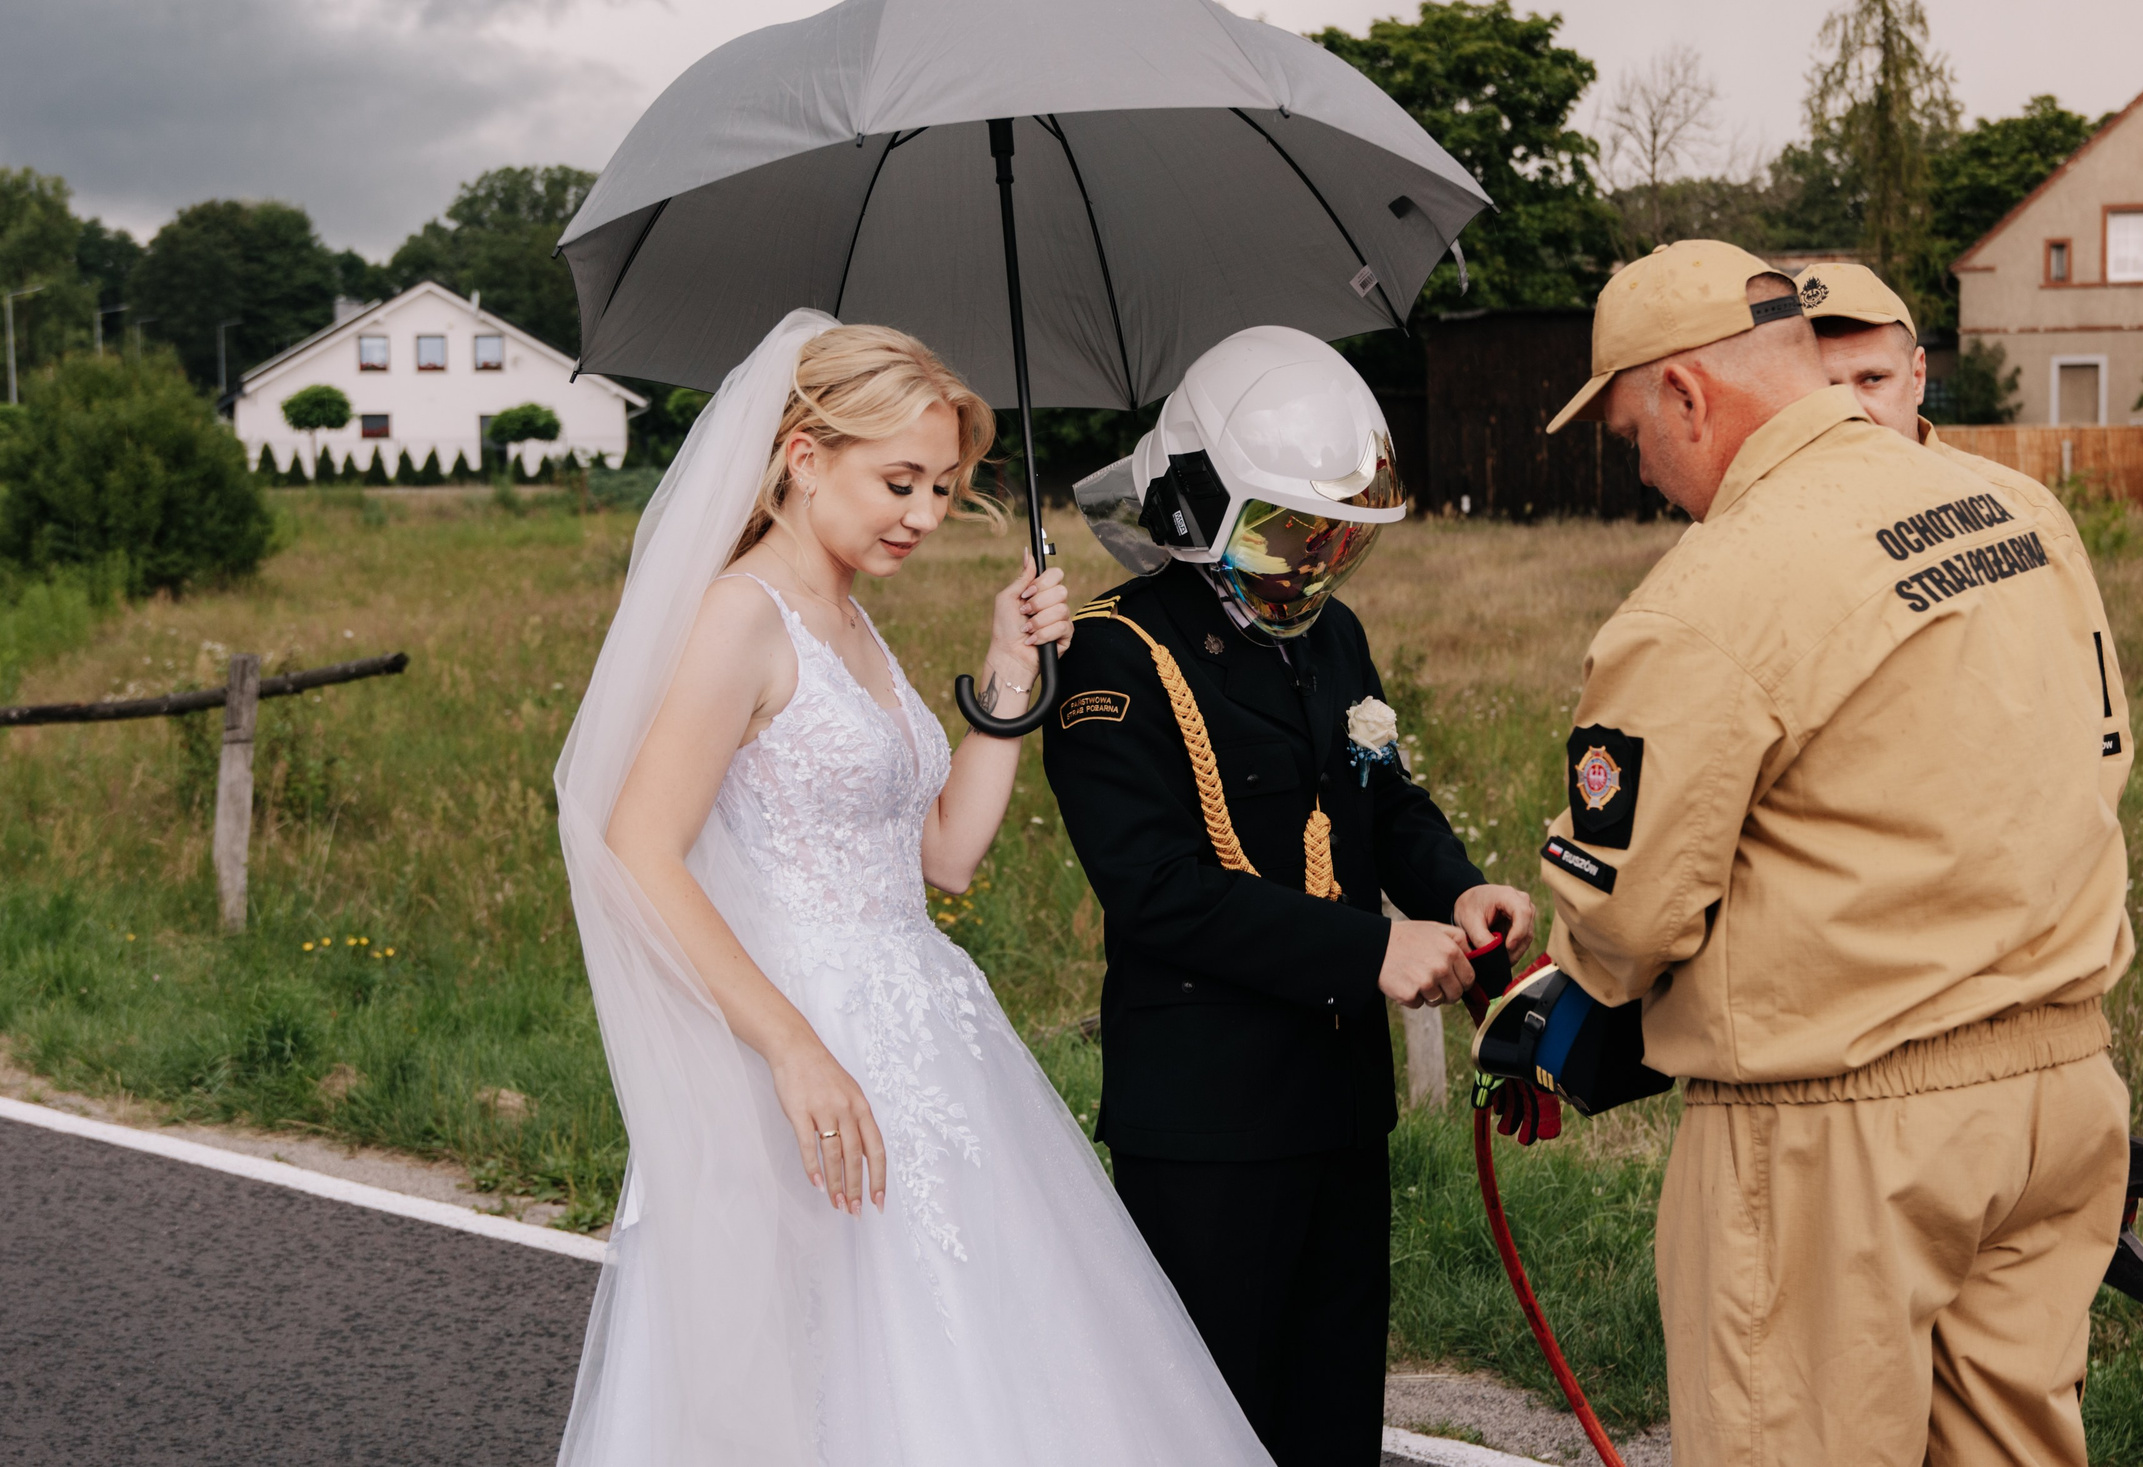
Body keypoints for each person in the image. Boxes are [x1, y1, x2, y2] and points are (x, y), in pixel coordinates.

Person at [553, 313, 1275, 1467]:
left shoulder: (851, 621)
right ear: (801, 457)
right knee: (843, 1368)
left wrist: (1009, 665)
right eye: (900, 481)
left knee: (984, 1362)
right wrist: (791, 1047)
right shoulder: (741, 616)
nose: (926, 516)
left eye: (943, 488)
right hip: (802, 1036)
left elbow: (943, 856)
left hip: (926, 1032)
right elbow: (637, 845)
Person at [1534, 243, 2136, 1466]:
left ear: (1689, 395)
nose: (1639, 468)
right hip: (2059, 1097)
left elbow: (1630, 917)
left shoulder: (1703, 599)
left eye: (1630, 431)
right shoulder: (2017, 511)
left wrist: (1556, 991)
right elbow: (2104, 750)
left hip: (1841, 1134)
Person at [1044, 325, 1538, 1467]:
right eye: (1280, 533)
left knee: (1331, 1406)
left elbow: (1385, 799)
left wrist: (1459, 895)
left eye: (1333, 538)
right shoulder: (1110, 656)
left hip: (1334, 1097)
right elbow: (1156, 891)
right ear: (1190, 504)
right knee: (1208, 1418)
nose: (1309, 563)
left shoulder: (1332, 637)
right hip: (1207, 1113)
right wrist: (1369, 949)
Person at [1798, 259, 2133, 796]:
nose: (1848, 410)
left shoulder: (2024, 513)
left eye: (1872, 379)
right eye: (1823, 388)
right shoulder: (1747, 541)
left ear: (1919, 376)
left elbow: (2099, 731)